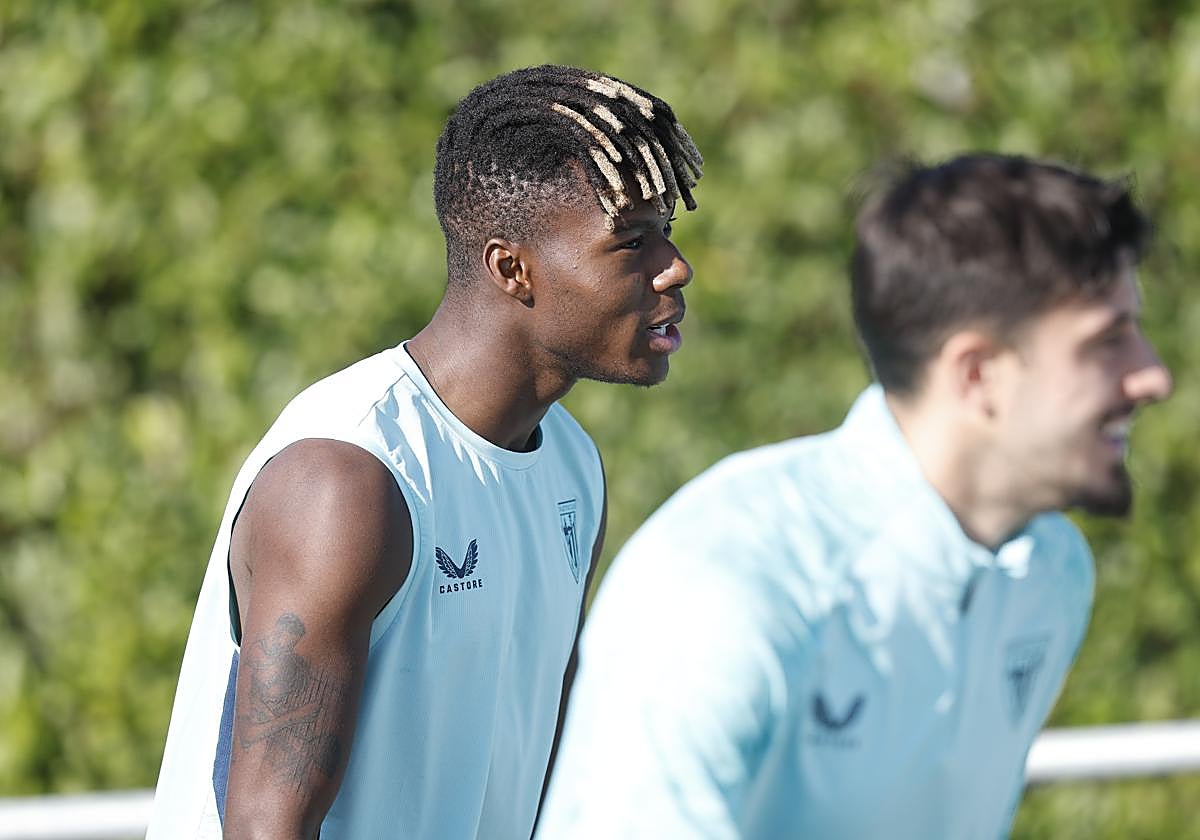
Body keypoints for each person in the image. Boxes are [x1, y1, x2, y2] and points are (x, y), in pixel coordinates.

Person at [536, 153, 1173, 839]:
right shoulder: (725, 579)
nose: (1152, 377)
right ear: (978, 375)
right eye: (1106, 343)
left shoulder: (1052, 570)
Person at [147, 64, 703, 839]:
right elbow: (263, 830)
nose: (673, 267)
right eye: (631, 243)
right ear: (512, 269)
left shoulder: (573, 468)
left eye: (666, 234)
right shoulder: (347, 480)